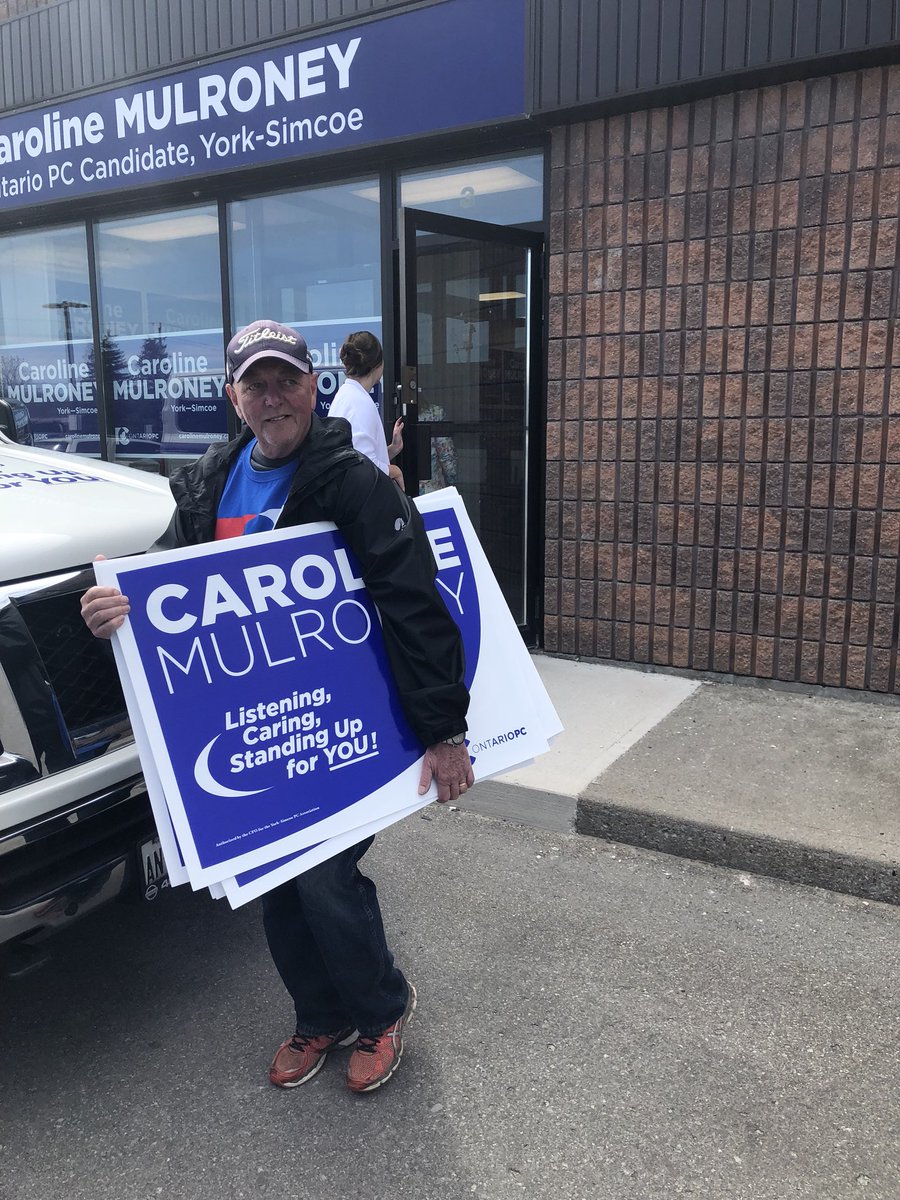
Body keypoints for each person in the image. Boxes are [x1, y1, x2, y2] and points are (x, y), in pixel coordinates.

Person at [80, 319, 474, 1095]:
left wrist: (445, 730)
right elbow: (163, 594)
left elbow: (413, 604)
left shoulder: (352, 480)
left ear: (312, 386)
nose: (272, 398)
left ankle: (382, 1007)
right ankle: (318, 1016)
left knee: (326, 878)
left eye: (285, 380)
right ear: (235, 397)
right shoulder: (202, 486)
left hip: (343, 728)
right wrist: (112, 612)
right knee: (274, 876)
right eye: (255, 385)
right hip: (256, 734)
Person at [329, 330, 405, 488]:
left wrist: (392, 449)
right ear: (379, 364)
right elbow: (361, 466)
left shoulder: (346, 395)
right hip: (364, 504)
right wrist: (395, 471)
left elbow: (356, 455)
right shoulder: (359, 402)